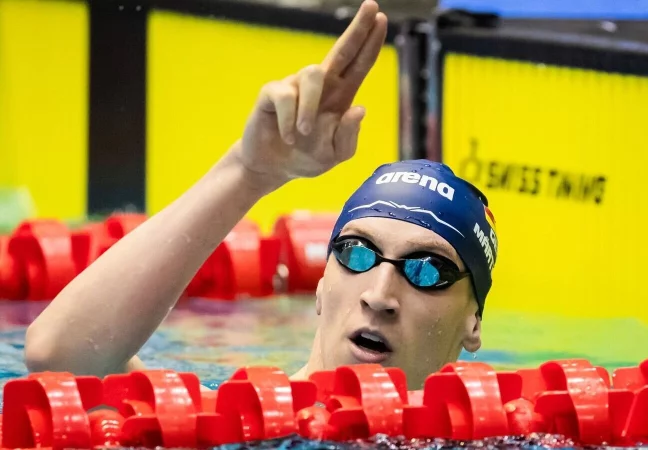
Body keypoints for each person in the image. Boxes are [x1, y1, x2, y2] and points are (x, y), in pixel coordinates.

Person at [23, 0, 498, 390]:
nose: (379, 295)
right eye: (355, 253)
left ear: (473, 321)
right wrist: (249, 172)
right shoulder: (232, 423)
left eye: (426, 269)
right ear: (320, 283)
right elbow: (60, 357)